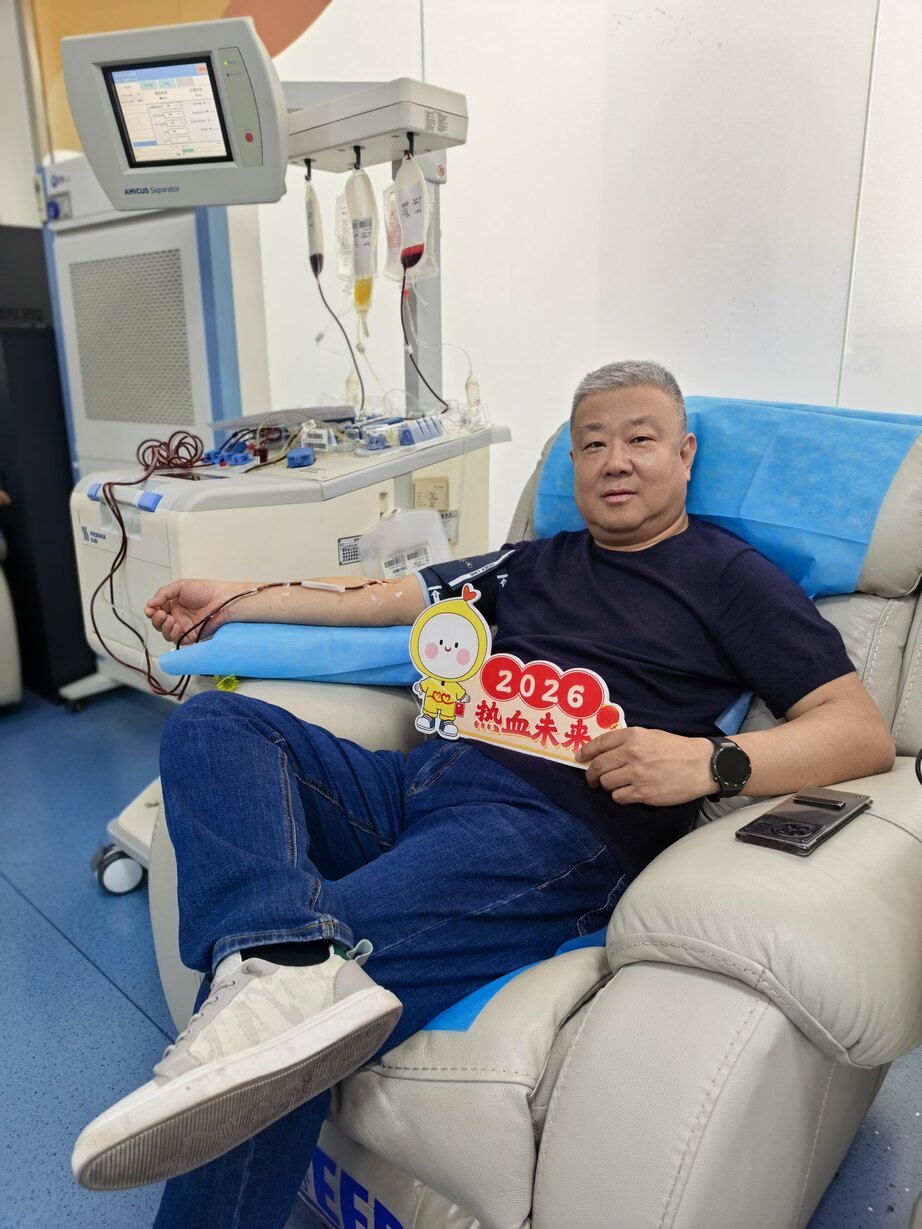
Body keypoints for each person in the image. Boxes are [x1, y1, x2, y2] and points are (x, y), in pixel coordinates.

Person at [72, 360, 894, 1226]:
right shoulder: (533, 561)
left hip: (553, 829)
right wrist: (235, 595)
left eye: (641, 439)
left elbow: (859, 730)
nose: (616, 460)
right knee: (214, 725)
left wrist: (709, 763)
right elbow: (382, 598)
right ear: (572, 464)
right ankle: (274, 958)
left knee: (285, 1032)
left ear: (684, 454)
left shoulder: (728, 576)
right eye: (593, 444)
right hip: (421, 782)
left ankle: (278, 985)